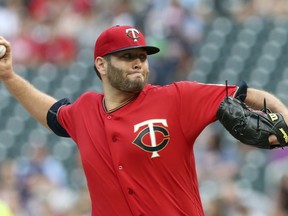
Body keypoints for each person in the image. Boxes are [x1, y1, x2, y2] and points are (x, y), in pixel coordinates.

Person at [0, 25, 287, 216]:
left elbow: (247, 94)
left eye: (142, 56)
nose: (138, 62)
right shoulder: (84, 110)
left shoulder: (177, 98)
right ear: (101, 64)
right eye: (127, 56)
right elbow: (53, 115)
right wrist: (10, 77)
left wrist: (285, 120)